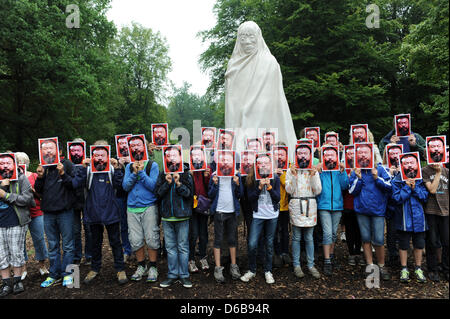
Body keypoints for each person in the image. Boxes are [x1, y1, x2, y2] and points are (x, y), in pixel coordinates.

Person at [224, 21, 297, 154]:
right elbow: (231, 102)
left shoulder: (269, 62)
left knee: (263, 147)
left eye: (251, 36)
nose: (247, 42)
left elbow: (274, 97)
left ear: (258, 37)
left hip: (264, 117)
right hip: (239, 120)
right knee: (241, 147)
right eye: (243, 37)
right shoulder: (233, 65)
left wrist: (250, 111)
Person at [35, 144, 76, 288]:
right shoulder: (43, 168)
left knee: (68, 245)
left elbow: (74, 185)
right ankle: (54, 274)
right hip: (48, 213)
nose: (47, 151)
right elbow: (38, 191)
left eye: (51, 148)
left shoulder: (67, 164)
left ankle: (69, 274)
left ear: (59, 151)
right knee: (52, 246)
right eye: (44, 149)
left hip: (65, 212)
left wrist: (63, 173)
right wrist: (40, 177)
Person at [349, 162, 392, 282]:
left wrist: (377, 178)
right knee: (366, 238)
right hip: (362, 210)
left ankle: (382, 266)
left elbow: (389, 186)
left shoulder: (381, 168)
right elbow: (352, 191)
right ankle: (370, 266)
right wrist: (358, 179)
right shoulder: (356, 170)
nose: (364, 155)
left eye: (366, 151)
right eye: (361, 152)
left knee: (379, 239)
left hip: (378, 210)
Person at [122, 150, 160, 282]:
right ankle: (141, 266)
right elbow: (125, 187)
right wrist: (134, 172)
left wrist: (142, 172)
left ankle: (153, 267)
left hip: (149, 206)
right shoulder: (128, 166)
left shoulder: (152, 165)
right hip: (132, 208)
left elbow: (153, 186)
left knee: (151, 237)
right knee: (135, 239)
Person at [155, 162, 194, 288]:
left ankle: (184, 275)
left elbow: (189, 194)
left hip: (182, 216)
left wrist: (178, 183)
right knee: (170, 247)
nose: (172, 158)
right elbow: (158, 194)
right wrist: (167, 183)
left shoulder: (186, 173)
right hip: (167, 217)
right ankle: (172, 275)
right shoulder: (162, 173)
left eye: (174, 155)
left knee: (182, 246)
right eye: (169, 155)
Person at [240, 167, 280, 284]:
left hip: (272, 215)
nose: (263, 165)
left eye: (266, 162)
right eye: (260, 163)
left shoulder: (275, 177)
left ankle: (268, 271)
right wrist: (259, 187)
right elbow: (250, 198)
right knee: (252, 243)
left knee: (269, 243)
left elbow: (278, 197)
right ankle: (252, 270)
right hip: (258, 215)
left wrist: (270, 188)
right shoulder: (251, 178)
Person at [0, 159, 33, 297]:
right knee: (1, 255)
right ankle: (6, 284)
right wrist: (2, 186)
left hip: (16, 221)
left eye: (8, 163)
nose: (5, 166)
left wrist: (6, 195)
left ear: (14, 165)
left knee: (16, 252)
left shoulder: (21, 178)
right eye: (2, 163)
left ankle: (18, 282)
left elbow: (27, 199)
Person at [14, 152, 49, 279]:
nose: (20, 164)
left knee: (39, 239)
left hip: (36, 212)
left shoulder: (34, 176)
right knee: (20, 242)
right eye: (17, 161)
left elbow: (43, 195)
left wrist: (34, 191)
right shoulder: (13, 177)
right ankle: (23, 268)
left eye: (22, 161)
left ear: (27, 163)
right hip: (19, 214)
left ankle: (42, 265)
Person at [285, 162, 322, 279]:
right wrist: (294, 175)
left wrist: (313, 176)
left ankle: (311, 265)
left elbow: (317, 190)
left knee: (309, 237)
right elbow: (289, 190)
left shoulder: (313, 170)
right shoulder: (291, 170)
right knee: (296, 236)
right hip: (297, 204)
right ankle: (296, 265)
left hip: (310, 205)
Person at [391, 169, 429, 283]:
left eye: (412, 163)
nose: (409, 166)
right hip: (403, 219)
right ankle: (404, 268)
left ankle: (418, 268)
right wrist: (407, 187)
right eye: (406, 164)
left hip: (419, 218)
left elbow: (425, 197)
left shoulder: (420, 180)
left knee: (419, 244)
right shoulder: (397, 180)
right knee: (403, 245)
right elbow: (396, 198)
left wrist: (414, 188)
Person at [208, 161, 242, 283]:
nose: (226, 163)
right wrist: (215, 184)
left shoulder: (235, 174)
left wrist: (237, 183)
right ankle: (217, 268)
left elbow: (240, 194)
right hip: (219, 212)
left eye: (228, 160)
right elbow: (210, 194)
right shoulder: (215, 175)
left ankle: (233, 266)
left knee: (232, 239)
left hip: (232, 212)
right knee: (218, 239)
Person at [316, 148, 349, 276]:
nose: (329, 158)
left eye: (332, 155)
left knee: (334, 234)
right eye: (327, 155)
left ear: (336, 156)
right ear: (323, 157)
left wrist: (342, 172)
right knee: (327, 233)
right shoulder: (321, 171)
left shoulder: (339, 171)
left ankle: (331, 254)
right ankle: (327, 260)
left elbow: (345, 186)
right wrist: (317, 172)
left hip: (337, 206)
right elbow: (316, 186)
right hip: (324, 206)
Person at [422, 162, 449, 282]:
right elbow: (432, 190)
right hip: (431, 211)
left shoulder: (447, 172)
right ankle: (433, 269)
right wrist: (438, 173)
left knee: (447, 243)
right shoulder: (425, 171)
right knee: (432, 242)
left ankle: (446, 268)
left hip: (446, 212)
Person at [188, 163, 211, 273]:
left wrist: (207, 176)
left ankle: (203, 257)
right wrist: (190, 176)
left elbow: (209, 188)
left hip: (203, 205)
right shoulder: (188, 170)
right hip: (192, 206)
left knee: (203, 233)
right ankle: (191, 259)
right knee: (193, 234)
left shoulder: (205, 169)